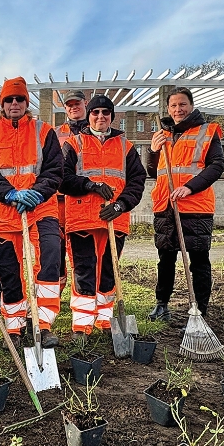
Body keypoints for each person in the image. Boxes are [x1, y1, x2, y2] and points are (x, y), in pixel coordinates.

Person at [0, 76, 63, 349]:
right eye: (9, 100)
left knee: (48, 263)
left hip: (40, 212)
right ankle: (14, 327)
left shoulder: (44, 131)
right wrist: (10, 193)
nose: (15, 103)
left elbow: (54, 170)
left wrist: (37, 192)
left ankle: (43, 324)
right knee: (10, 273)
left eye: (20, 99)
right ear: (2, 104)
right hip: (2, 216)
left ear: (26, 102)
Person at [60, 95, 146, 340]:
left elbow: (137, 182)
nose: (100, 117)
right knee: (84, 268)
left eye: (105, 112)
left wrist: (121, 205)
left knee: (109, 269)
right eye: (95, 112)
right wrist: (89, 184)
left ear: (112, 115)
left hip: (114, 219)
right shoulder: (74, 144)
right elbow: (63, 179)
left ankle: (106, 318)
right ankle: (82, 322)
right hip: (82, 218)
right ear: (88, 115)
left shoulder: (125, 146)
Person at [147, 87, 224, 321]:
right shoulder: (163, 134)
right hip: (165, 205)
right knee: (165, 258)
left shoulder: (206, 131)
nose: (178, 109)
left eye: (182, 104)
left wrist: (190, 187)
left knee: (199, 260)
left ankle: (199, 310)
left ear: (191, 106)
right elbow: (153, 170)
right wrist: (152, 150)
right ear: (168, 108)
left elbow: (216, 166)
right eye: (173, 106)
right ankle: (162, 304)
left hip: (195, 206)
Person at [55, 90, 88, 296]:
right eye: (69, 105)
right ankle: (56, 293)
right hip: (59, 199)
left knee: (80, 249)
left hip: (84, 198)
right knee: (55, 249)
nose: (73, 107)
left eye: (77, 103)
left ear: (85, 104)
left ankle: (82, 293)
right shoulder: (55, 133)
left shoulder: (94, 130)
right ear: (65, 108)